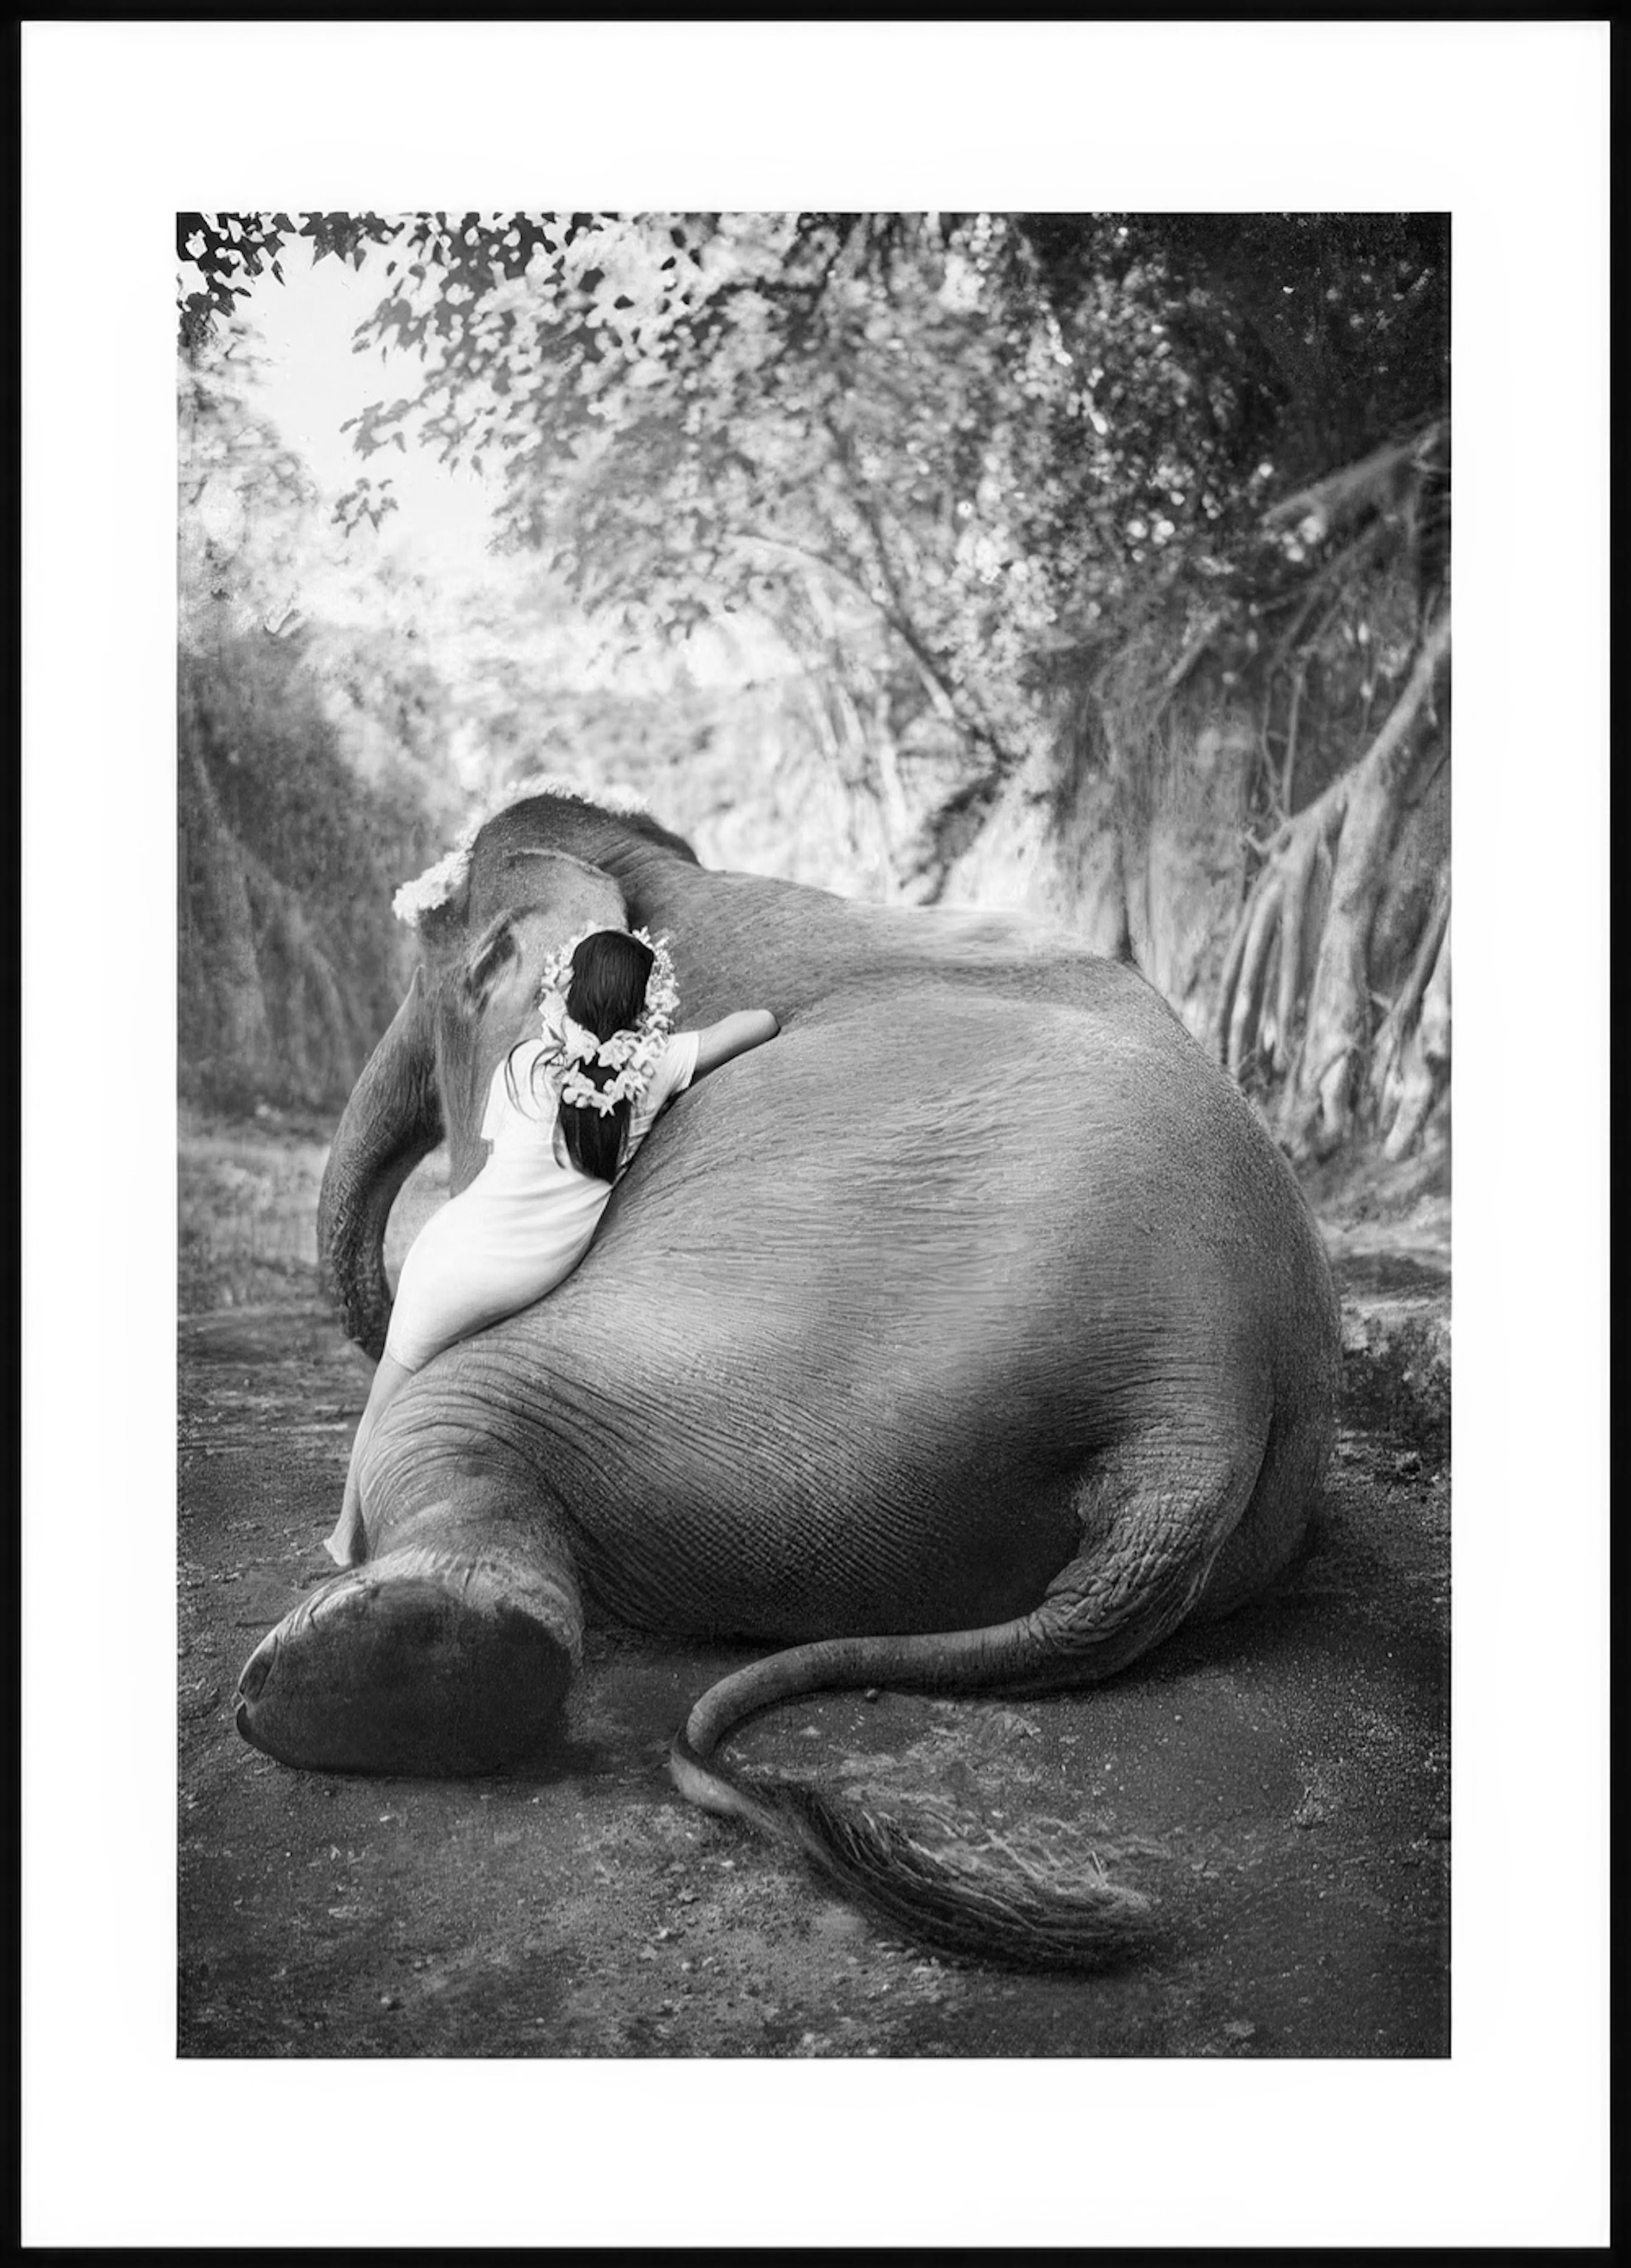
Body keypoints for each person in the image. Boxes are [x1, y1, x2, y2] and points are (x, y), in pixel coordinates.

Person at [324, 923, 778, 1567]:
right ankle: (366, 1529)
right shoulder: (650, 1071)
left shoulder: (525, 1063)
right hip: (531, 1273)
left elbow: (491, 1162)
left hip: (454, 1257)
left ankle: (346, 1536)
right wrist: (653, 1039)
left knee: (385, 1399)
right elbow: (758, 1023)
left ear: (570, 992)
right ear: (642, 1009)